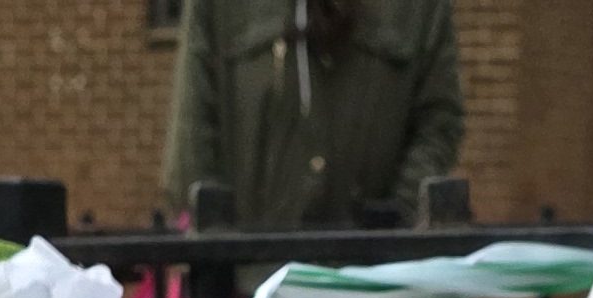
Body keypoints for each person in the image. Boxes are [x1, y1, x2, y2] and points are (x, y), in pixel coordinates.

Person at [162, 0, 462, 229]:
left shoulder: (417, 8)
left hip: (366, 280)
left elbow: (438, 119)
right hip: (250, 283)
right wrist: (218, 260)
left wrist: (394, 222)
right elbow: (193, 133)